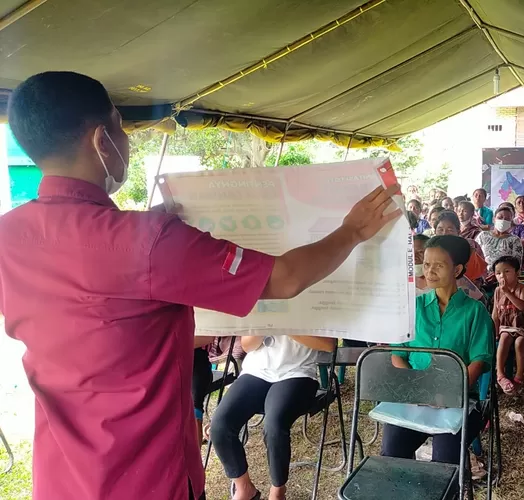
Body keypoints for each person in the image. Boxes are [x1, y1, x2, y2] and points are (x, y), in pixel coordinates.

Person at [0, 71, 400, 500]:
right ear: (102, 139)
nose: (125, 140)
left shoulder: (9, 236)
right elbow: (285, 278)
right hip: (148, 479)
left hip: (61, 478)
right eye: (121, 126)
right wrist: (352, 231)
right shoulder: (149, 241)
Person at [382, 235, 494, 464]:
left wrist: (449, 393)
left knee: (445, 463)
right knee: (391, 454)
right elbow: (398, 355)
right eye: (427, 264)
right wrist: (416, 390)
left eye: (439, 265)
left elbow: (478, 362)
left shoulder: (475, 312)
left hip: (458, 401)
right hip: (414, 398)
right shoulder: (414, 308)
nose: (430, 271)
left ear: (457, 270)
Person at [211, 334, 334, 500]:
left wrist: (285, 327)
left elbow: (328, 344)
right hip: (255, 372)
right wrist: (265, 327)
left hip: (297, 373)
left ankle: (277, 491)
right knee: (220, 425)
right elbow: (246, 346)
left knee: (274, 425)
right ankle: (244, 488)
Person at [492, 256, 524, 395]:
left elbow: (522, 307)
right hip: (507, 327)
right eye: (498, 273)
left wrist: (507, 292)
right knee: (504, 338)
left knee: (520, 343)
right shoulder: (497, 291)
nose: (502, 276)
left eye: (507, 271)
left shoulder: (523, 288)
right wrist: (495, 333)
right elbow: (495, 315)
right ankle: (500, 374)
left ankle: (519, 377)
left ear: (517, 273)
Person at [413, 234, 485, 303]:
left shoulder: (456, 281)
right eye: (427, 264)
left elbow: (479, 300)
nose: (414, 257)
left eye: (439, 265)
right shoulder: (419, 303)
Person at [434, 211, 486, 282]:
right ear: (435, 232)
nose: (444, 234)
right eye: (440, 230)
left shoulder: (468, 249)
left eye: (450, 230)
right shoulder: (430, 250)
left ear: (458, 232)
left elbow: (477, 278)